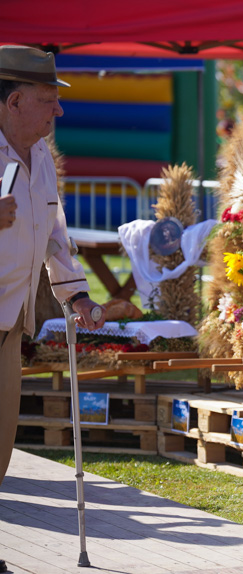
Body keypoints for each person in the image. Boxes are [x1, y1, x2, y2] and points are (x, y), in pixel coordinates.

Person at [0, 46, 106, 501]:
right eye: (48, 98)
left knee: (1, 441)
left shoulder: (41, 154)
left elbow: (54, 231)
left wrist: (77, 295)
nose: (58, 109)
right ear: (14, 102)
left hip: (7, 326)